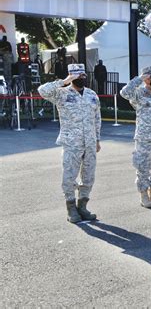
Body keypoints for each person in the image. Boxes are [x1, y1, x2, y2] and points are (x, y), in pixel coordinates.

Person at [38, 64, 101, 223]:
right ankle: (71, 208)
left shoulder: (92, 94)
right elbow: (42, 91)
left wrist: (97, 139)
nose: (81, 78)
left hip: (90, 143)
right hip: (72, 142)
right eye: (77, 76)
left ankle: (83, 206)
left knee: (88, 176)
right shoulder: (61, 94)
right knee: (69, 176)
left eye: (83, 75)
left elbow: (97, 119)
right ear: (71, 76)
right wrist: (64, 81)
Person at [120, 66, 151, 208]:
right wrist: (140, 79)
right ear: (146, 78)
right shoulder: (139, 93)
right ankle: (143, 196)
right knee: (143, 167)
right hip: (145, 138)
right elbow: (124, 92)